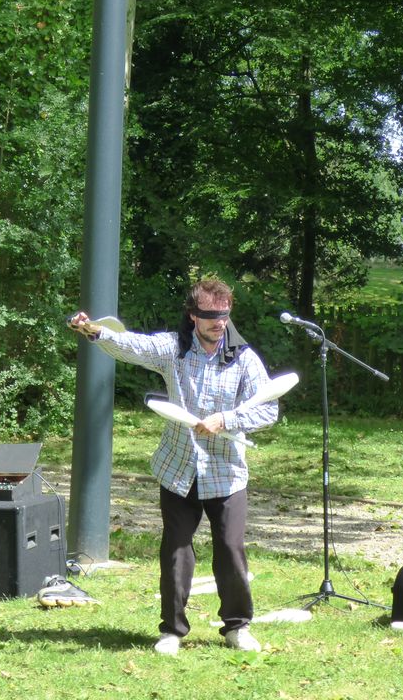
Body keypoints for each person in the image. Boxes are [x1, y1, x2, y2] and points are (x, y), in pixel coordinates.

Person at [69, 278, 278, 654]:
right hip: (179, 468)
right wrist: (96, 331)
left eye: (225, 315)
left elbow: (268, 409)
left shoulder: (244, 358)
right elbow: (132, 345)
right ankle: (172, 630)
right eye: (211, 316)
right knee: (176, 551)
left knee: (231, 549)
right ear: (193, 316)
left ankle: (237, 627)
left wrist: (226, 420)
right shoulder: (173, 348)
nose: (220, 323)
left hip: (226, 473)